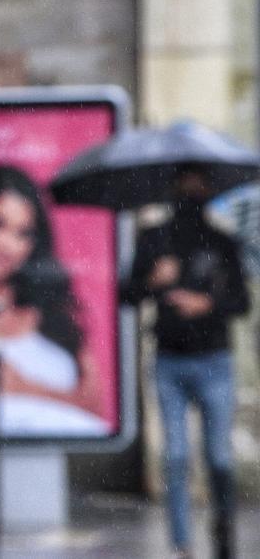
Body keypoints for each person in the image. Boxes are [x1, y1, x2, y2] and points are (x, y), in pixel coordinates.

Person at [122, 166, 249, 559]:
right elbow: (125, 294)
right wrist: (153, 282)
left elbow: (241, 302)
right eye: (184, 184)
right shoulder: (155, 239)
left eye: (199, 184)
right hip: (170, 362)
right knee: (175, 456)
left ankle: (223, 533)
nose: (191, 192)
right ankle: (182, 544)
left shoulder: (222, 242)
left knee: (220, 458)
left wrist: (206, 303)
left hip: (214, 360)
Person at [0, 165, 109, 437]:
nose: (6, 245)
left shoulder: (51, 308)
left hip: (58, 460)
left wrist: (25, 387)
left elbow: (95, 406)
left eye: (23, 233)